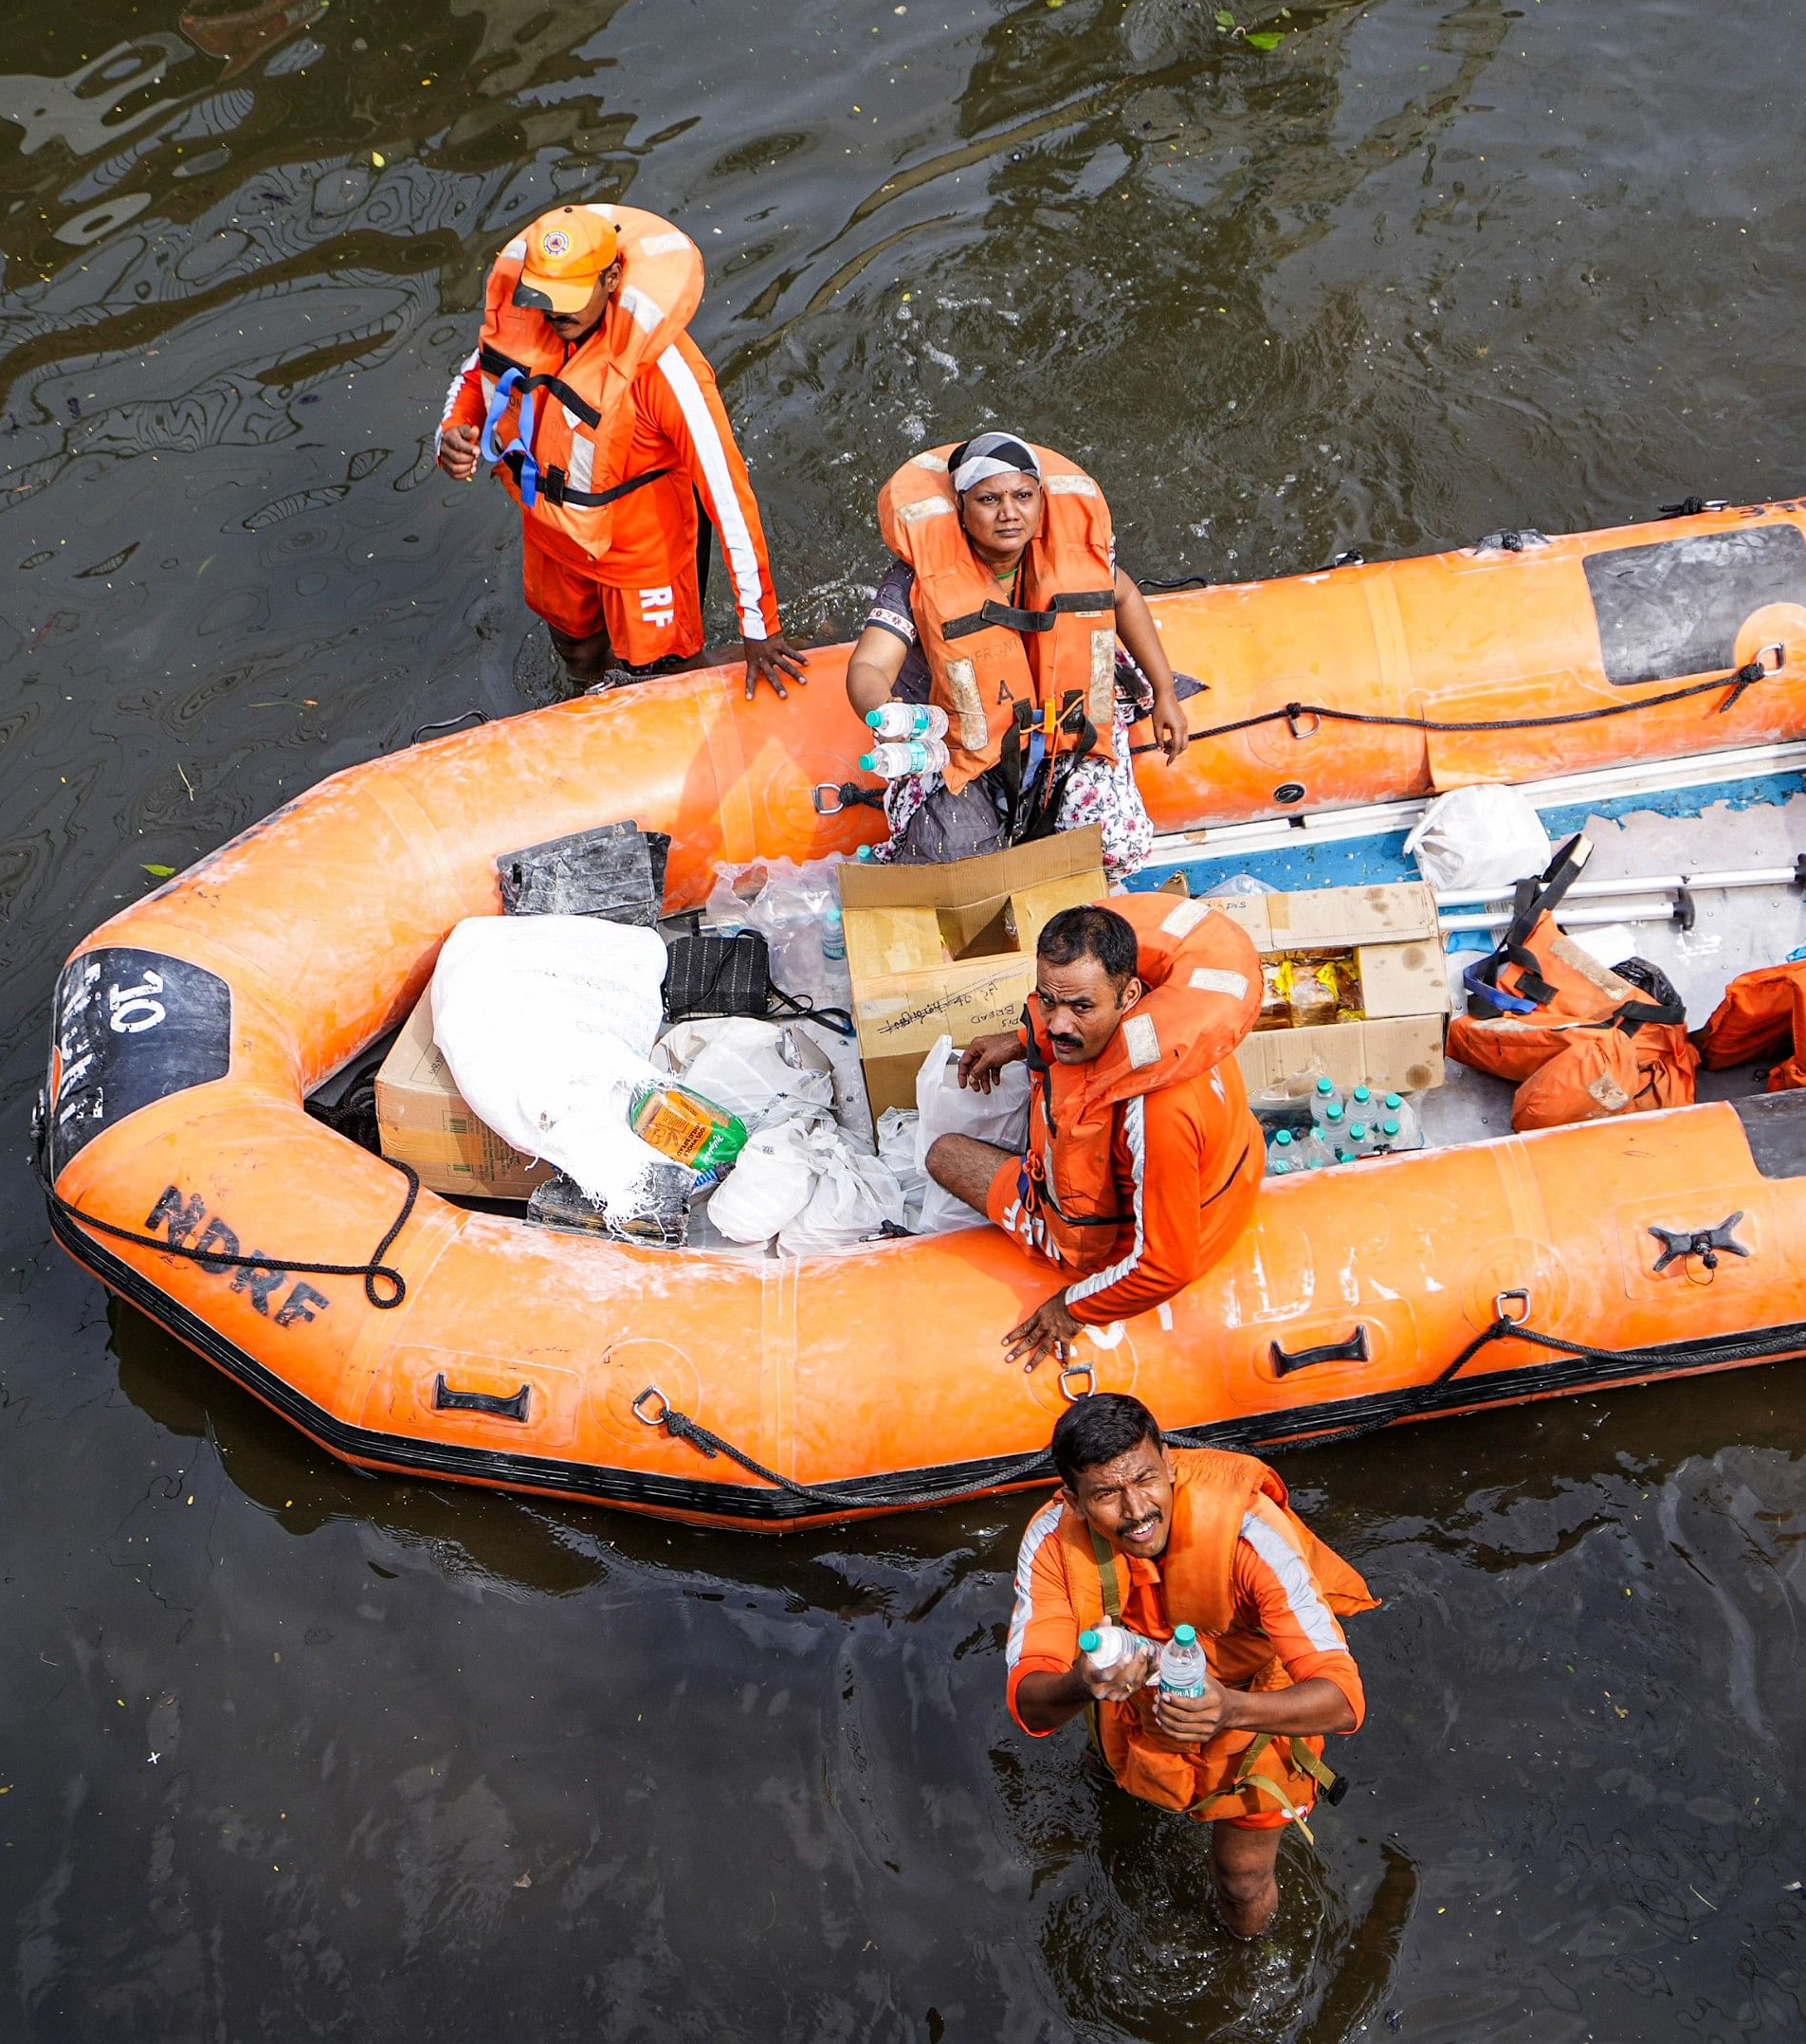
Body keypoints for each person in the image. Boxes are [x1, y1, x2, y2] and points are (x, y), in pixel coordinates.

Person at [1003, 1393, 1374, 1939]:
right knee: (1103, 1772)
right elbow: (1028, 1700)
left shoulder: (1250, 1535)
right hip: (1132, 1701)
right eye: (1106, 1493)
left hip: (1252, 1705)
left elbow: (1344, 1701)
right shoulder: (1051, 1541)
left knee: (1241, 1879)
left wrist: (1232, 1709)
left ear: (1170, 1464)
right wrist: (1083, 1679)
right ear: (1075, 1502)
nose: (1136, 1512)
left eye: (1147, 1481)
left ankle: (1243, 1956)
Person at [433, 203, 800, 697]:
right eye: (545, 295)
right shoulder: (528, 324)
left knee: (661, 678)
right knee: (577, 658)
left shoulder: (667, 371)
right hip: (554, 539)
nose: (555, 311)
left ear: (611, 279)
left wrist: (760, 625)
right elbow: (478, 376)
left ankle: (798, 649)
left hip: (642, 555)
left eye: (569, 296)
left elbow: (728, 494)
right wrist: (454, 432)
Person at [924, 900, 1260, 1371]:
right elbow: (1061, 1025)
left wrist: (1069, 1309)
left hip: (1129, 1241)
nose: (1058, 1025)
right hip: (1217, 1182)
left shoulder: (1158, 1113)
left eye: (1082, 1006)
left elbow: (1164, 1266)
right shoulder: (1178, 1032)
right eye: (1048, 1000)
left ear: (1129, 997)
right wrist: (1021, 1041)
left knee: (944, 1155)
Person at [850, 431, 1190, 876]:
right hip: (963, 745)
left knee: (1117, 843)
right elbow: (869, 664)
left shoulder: (1071, 555)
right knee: (953, 857)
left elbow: (1123, 598)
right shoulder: (917, 577)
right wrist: (883, 710)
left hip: (1063, 728)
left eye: (1023, 496)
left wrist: (1163, 689)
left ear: (1041, 501)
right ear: (961, 509)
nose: (1009, 513)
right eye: (989, 499)